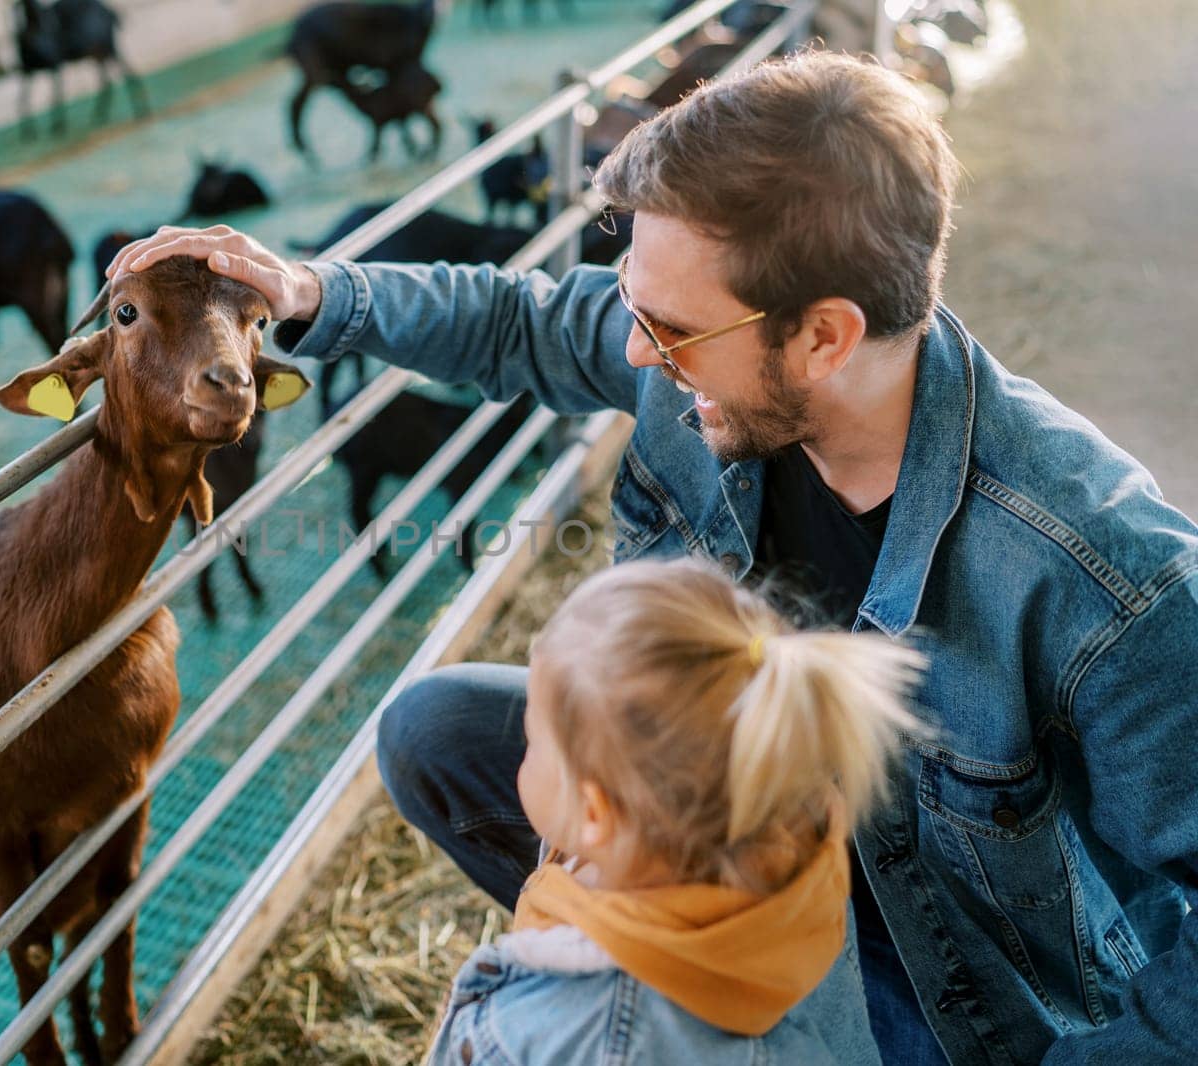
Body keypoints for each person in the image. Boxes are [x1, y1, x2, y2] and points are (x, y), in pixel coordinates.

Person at [107, 51, 1198, 1064]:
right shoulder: (704, 362)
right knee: (432, 732)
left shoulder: (1104, 575)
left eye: (666, 328)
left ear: (822, 336)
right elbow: (521, 321)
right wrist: (309, 293)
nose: (634, 350)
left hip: (939, 968)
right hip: (743, 835)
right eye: (633, 301)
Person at [425, 557, 922, 1065]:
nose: (522, 753)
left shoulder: (567, 1033)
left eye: (532, 740)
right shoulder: (797, 842)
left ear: (595, 814)